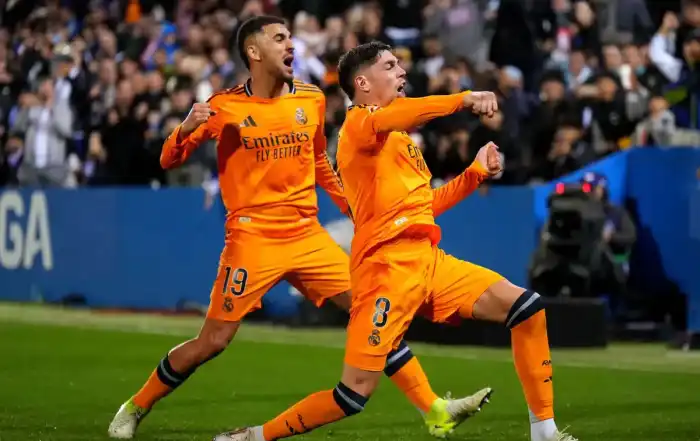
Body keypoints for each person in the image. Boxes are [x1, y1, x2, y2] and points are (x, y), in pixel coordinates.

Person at [108, 17, 490, 440]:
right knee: (212, 341)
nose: (291, 44)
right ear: (254, 52)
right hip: (252, 238)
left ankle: (434, 409)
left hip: (306, 235)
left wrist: (350, 206)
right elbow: (168, 159)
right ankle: (136, 405)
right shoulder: (224, 107)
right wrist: (184, 128)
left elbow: (320, 161)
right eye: (279, 38)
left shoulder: (311, 98)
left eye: (291, 37)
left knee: (371, 311)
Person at [214, 41, 578, 441]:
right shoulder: (359, 125)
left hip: (428, 261)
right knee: (352, 395)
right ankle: (254, 437)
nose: (402, 71)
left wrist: (473, 174)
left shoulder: (400, 139)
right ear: (363, 83)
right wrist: (462, 99)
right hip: (384, 272)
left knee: (526, 307)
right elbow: (409, 112)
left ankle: (544, 432)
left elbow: (424, 206)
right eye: (389, 66)